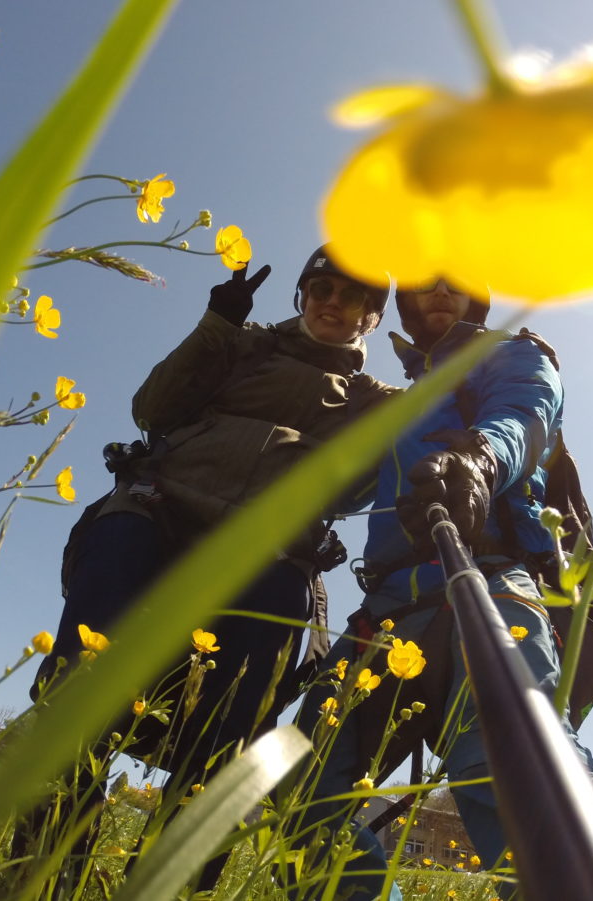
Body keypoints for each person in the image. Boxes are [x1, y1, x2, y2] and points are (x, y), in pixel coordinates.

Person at [19, 246, 395, 886]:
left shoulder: (371, 398)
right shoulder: (242, 345)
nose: (334, 302)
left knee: (239, 723)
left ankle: (169, 881)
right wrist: (216, 326)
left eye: (354, 297)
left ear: (372, 319)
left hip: (270, 547)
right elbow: (152, 409)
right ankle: (48, 866)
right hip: (159, 510)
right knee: (82, 665)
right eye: (322, 287)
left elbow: (362, 487)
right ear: (302, 295)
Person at [288, 275, 588, 901]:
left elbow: (526, 415)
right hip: (388, 604)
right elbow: (345, 487)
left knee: (512, 768)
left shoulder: (512, 353)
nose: (441, 291)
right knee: (303, 780)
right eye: (426, 284)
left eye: (457, 281)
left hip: (490, 576)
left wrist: (479, 459)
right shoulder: (401, 402)